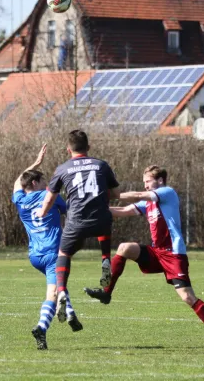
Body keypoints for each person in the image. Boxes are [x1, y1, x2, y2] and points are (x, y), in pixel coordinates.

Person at [85, 165, 204, 354]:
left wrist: (111, 194)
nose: (145, 186)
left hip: (174, 254)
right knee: (124, 248)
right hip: (157, 253)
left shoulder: (167, 193)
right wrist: (95, 209)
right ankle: (106, 293)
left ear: (160, 181)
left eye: (148, 181)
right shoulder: (149, 202)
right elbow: (124, 211)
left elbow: (138, 195)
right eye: (144, 182)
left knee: (187, 296)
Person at [36, 130, 120, 323]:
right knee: (105, 221)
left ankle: (62, 291)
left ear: (68, 149)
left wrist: (42, 212)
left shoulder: (62, 169)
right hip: (100, 220)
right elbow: (116, 193)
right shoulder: (101, 165)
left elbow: (50, 197)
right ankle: (105, 259)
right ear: (88, 147)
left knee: (63, 255)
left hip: (76, 222)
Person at [12, 144, 83, 351]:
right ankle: (43, 327)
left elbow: (18, 181)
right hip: (54, 253)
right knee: (53, 293)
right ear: (35, 182)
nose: (47, 185)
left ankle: (70, 314)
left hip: (35, 256)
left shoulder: (20, 200)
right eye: (44, 181)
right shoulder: (49, 197)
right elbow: (71, 209)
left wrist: (35, 163)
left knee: (58, 285)